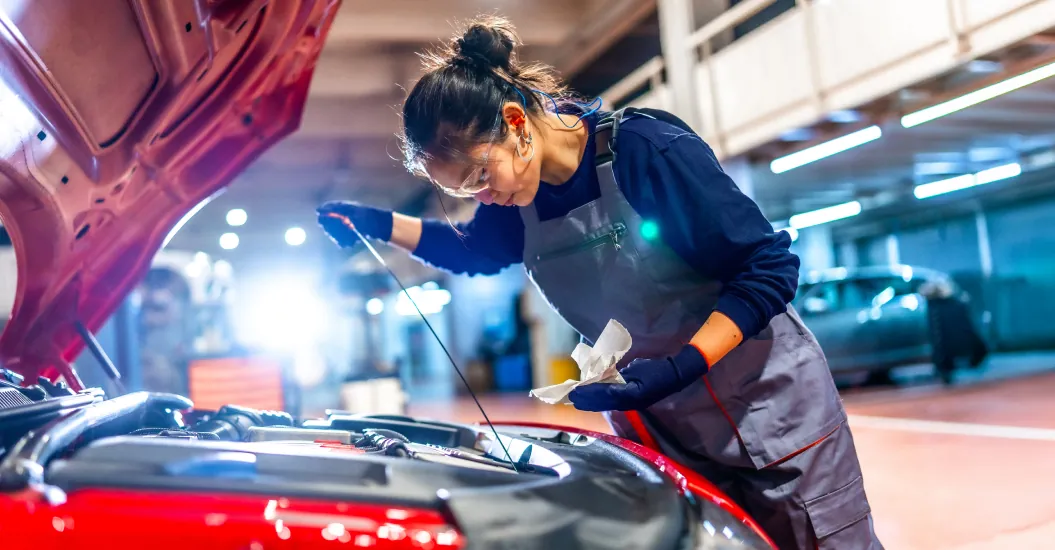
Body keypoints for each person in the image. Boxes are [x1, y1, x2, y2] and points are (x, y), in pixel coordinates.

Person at [317, 16, 882, 549]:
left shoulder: (645, 151)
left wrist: (683, 365)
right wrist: (378, 224)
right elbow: (476, 251)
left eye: (480, 176)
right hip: (663, 425)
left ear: (516, 123)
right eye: (467, 193)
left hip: (768, 410)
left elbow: (768, 266)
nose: (484, 198)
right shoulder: (518, 196)